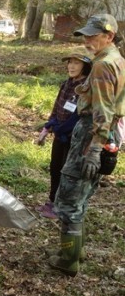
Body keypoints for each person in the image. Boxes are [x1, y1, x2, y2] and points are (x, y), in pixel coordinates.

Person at [49, 14, 125, 277]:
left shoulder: (104, 65)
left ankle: (68, 259)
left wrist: (94, 148)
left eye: (94, 36)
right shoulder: (117, 60)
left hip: (92, 134)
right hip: (104, 133)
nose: (89, 41)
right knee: (82, 194)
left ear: (109, 36)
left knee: (70, 196)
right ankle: (75, 251)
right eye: (86, 36)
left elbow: (103, 110)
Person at [35, 52, 92, 219]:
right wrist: (49, 125)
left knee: (67, 172)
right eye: (70, 63)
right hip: (60, 135)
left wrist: (60, 129)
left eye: (76, 63)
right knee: (55, 168)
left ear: (85, 67)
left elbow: (78, 117)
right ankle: (53, 201)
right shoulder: (66, 84)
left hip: (74, 139)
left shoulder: (85, 88)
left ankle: (61, 206)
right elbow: (57, 107)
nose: (71, 66)